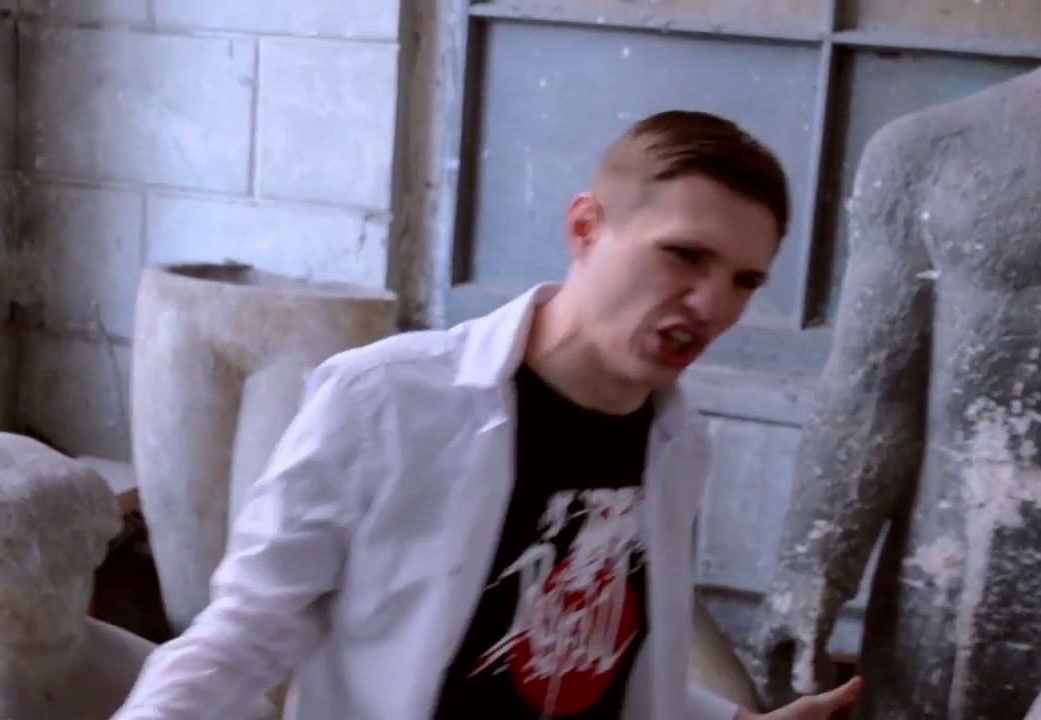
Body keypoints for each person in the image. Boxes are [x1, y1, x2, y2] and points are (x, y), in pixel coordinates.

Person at [110, 110, 862, 720]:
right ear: (585, 228)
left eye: (744, 281)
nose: (712, 305)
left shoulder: (677, 443)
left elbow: (605, 666)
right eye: (684, 256)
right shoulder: (390, 399)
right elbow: (244, 631)